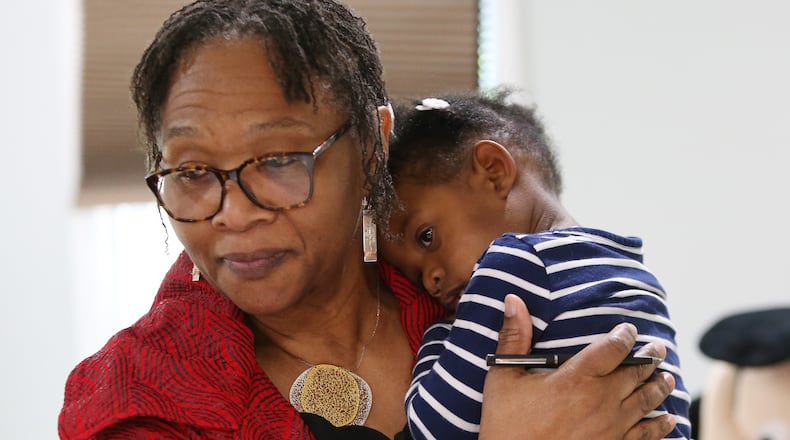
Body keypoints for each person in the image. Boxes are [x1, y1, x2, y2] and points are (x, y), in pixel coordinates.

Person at [58, 1, 676, 439]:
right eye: (192, 172)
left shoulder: (475, 287)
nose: (235, 213)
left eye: (278, 160)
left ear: (374, 146)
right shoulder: (139, 400)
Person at [380, 90, 691, 439]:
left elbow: (436, 429)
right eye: (416, 276)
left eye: (426, 237)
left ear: (494, 171)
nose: (431, 280)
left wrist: (439, 334)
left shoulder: (511, 266)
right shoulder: (637, 274)